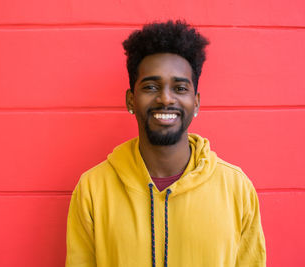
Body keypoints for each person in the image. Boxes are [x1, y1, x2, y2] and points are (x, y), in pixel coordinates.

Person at [66, 20, 266, 267]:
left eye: (180, 88)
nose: (165, 98)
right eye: (151, 86)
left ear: (196, 102)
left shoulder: (236, 188)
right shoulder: (93, 189)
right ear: (131, 100)